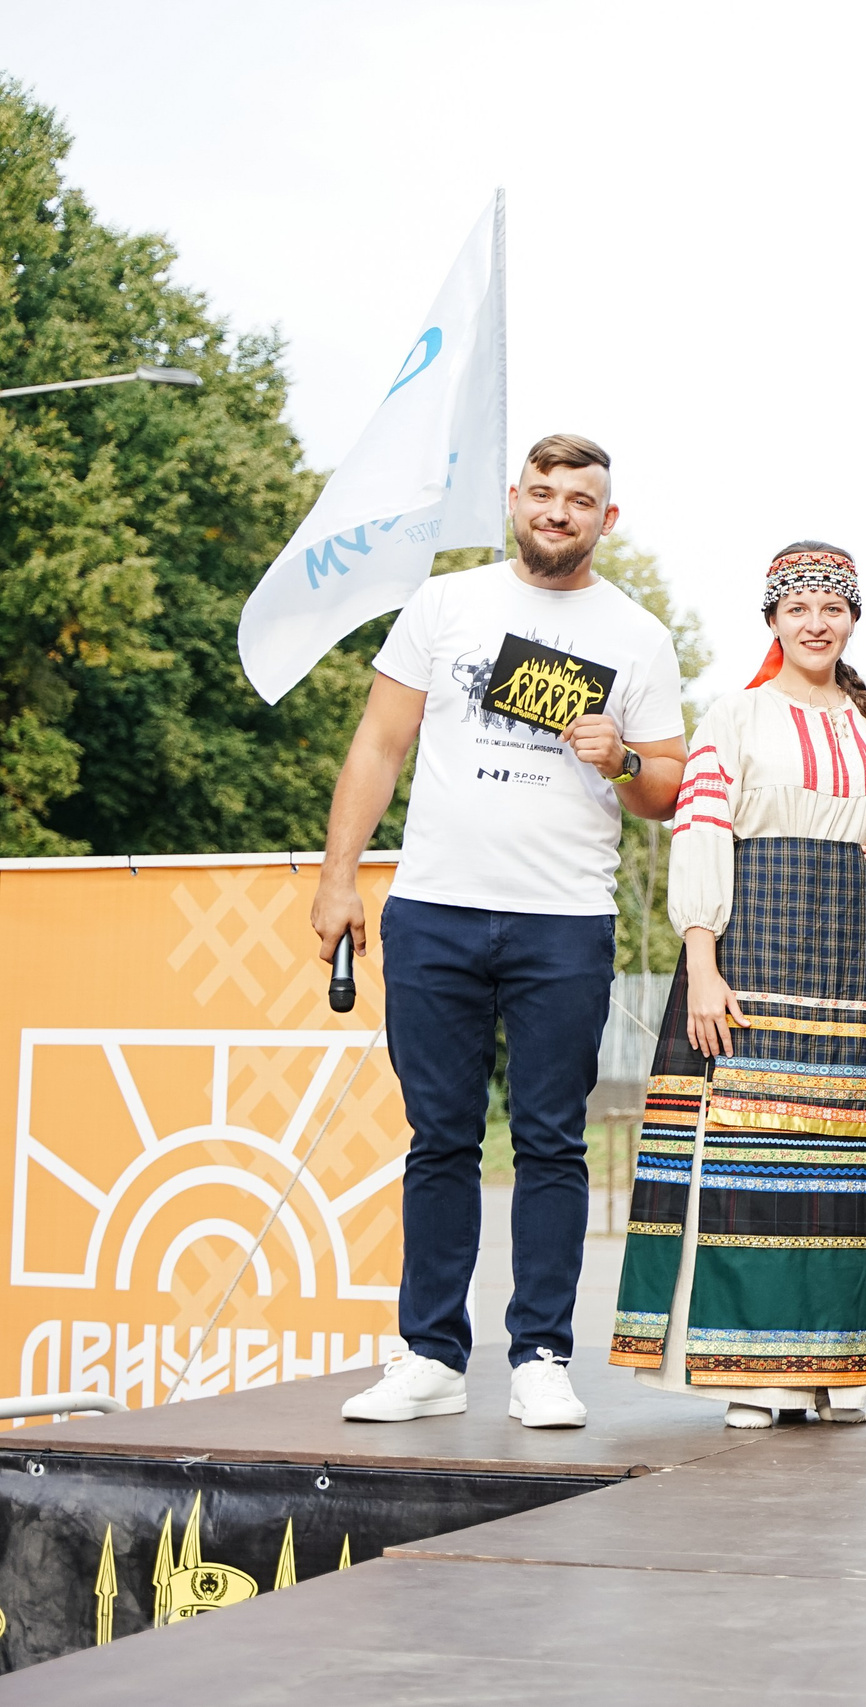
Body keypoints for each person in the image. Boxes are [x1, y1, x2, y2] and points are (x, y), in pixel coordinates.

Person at [314, 434, 687, 1429]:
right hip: (434, 908)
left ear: (608, 518)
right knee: (439, 1136)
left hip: (563, 918)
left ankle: (541, 1358)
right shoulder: (446, 603)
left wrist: (619, 758)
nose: (558, 511)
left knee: (550, 1140)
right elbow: (379, 743)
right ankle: (431, 1356)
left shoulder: (637, 635)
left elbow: (666, 787)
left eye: (581, 499)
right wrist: (339, 879)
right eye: (543, 492)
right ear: (515, 499)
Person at [609, 542, 866, 1428]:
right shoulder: (735, 716)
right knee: (747, 1158)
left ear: (853, 619)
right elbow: (700, 832)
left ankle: (837, 1372)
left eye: (832, 607)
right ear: (772, 618)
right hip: (751, 951)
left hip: (852, 960)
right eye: (798, 607)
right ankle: (754, 1376)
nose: (816, 622)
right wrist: (701, 963)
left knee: (843, 1162)